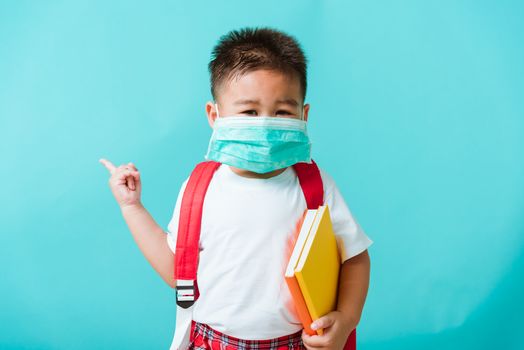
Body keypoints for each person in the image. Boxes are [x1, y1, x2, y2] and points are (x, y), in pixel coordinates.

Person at [100, 26, 373, 350]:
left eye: (283, 112)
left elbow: (355, 258)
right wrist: (132, 207)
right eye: (249, 111)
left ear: (304, 114)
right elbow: (179, 272)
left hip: (295, 343)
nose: (266, 123)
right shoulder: (200, 189)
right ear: (215, 116)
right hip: (213, 342)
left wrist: (347, 319)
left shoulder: (315, 186)